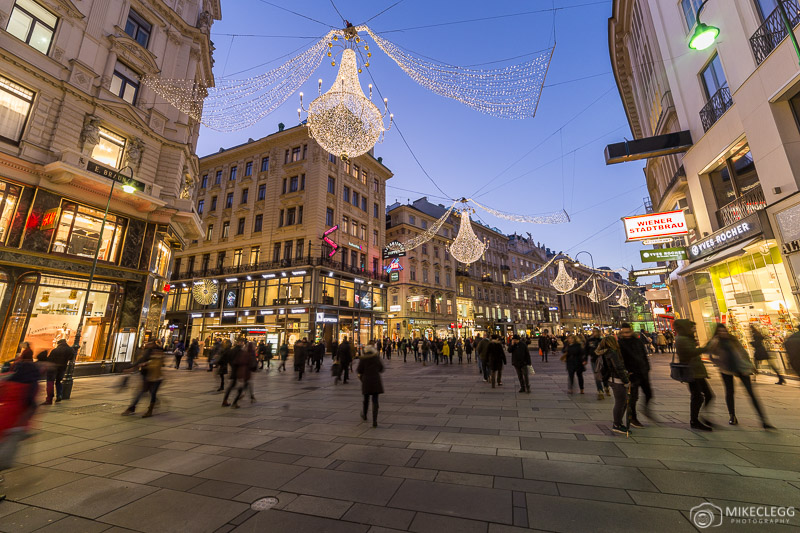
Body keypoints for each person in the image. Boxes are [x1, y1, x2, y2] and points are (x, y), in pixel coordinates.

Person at [707, 324, 772, 429]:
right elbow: (709, 353)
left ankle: (763, 420)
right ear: (717, 333)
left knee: (751, 393)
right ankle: (732, 416)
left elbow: (743, 352)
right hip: (726, 370)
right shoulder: (716, 342)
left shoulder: (733, 340)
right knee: (730, 392)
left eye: (724, 331)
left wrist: (750, 366)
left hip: (741, 368)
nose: (723, 333)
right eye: (720, 332)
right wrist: (718, 363)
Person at [0, 348, 40, 500]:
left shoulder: (8, 381)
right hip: (15, 423)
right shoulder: (31, 385)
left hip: (3, 417)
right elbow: (31, 405)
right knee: (5, 458)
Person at [674, 319, 714, 431]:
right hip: (692, 372)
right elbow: (691, 353)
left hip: (697, 371)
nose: (694, 329)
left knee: (707, 395)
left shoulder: (686, 338)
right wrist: (707, 347)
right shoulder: (681, 339)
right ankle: (695, 420)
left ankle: (700, 417)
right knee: (698, 396)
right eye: (692, 328)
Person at [595, 334, 631, 434]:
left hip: (611, 379)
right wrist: (626, 381)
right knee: (621, 403)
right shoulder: (612, 353)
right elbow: (618, 367)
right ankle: (616, 424)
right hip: (617, 380)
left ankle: (618, 423)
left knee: (622, 402)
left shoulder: (603, 352)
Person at [619, 323, 653, 428]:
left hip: (642, 371)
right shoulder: (620, 343)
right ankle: (633, 418)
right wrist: (626, 372)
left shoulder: (638, 341)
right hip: (632, 373)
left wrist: (647, 367)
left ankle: (645, 409)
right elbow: (620, 359)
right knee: (633, 397)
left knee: (649, 393)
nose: (626, 334)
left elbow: (644, 354)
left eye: (628, 332)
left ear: (631, 331)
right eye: (624, 333)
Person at [122, 339, 165, 418]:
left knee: (148, 393)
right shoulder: (148, 351)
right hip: (148, 376)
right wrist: (133, 367)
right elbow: (141, 361)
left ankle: (148, 410)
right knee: (145, 392)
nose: (146, 344)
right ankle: (133, 407)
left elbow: (157, 364)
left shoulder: (156, 352)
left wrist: (144, 364)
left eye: (148, 343)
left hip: (156, 377)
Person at [357, 341, 384, 428]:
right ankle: (375, 420)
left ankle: (364, 415)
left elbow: (359, 370)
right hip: (376, 380)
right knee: (375, 400)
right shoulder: (376, 358)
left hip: (366, 381)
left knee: (366, 399)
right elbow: (381, 368)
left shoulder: (363, 358)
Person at [44, 339, 73, 404]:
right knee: (58, 382)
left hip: (53, 368)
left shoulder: (55, 350)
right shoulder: (70, 350)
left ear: (59, 344)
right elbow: (71, 358)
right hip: (62, 368)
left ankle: (49, 398)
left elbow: (50, 359)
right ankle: (59, 395)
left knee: (50, 382)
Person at [229, 341, 257, 408]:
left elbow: (236, 361)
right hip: (246, 372)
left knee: (246, 384)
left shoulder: (242, 353)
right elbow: (252, 364)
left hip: (240, 371)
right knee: (244, 386)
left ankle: (249, 396)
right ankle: (236, 401)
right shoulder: (250, 354)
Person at [222, 338, 245, 407]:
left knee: (232, 386)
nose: (243, 344)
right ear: (240, 342)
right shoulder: (240, 351)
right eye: (242, 342)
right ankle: (234, 403)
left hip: (233, 369)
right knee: (241, 387)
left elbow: (227, 359)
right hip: (238, 370)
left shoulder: (232, 350)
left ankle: (225, 401)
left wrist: (231, 365)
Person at [585, 328, 607, 400]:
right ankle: (600, 390)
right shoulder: (590, 340)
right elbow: (586, 350)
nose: (593, 333)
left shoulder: (602, 340)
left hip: (603, 360)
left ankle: (606, 386)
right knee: (597, 375)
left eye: (595, 331)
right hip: (594, 360)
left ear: (598, 332)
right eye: (593, 331)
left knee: (604, 374)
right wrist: (585, 359)